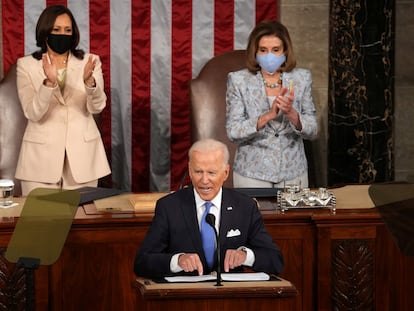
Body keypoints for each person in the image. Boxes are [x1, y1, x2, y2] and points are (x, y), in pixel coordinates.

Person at [134, 138, 283, 278]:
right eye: (198, 172)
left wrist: (246, 256)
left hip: (229, 299)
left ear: (225, 173)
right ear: (189, 170)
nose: (204, 180)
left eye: (211, 173)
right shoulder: (169, 207)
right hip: (185, 298)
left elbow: (275, 261)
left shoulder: (245, 207)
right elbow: (142, 263)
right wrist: (177, 260)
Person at [15, 5, 111, 196]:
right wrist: (49, 84)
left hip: (83, 160)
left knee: (81, 223)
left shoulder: (90, 61)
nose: (63, 35)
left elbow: (97, 106)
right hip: (39, 163)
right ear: (44, 32)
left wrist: (89, 82)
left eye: (68, 30)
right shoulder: (25, 65)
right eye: (56, 30)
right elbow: (33, 113)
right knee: (41, 223)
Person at [226, 20, 318, 189]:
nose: (270, 55)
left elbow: (312, 130)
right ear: (255, 52)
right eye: (263, 50)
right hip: (252, 172)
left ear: (285, 51)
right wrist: (267, 116)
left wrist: (292, 114)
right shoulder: (238, 80)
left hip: (293, 172)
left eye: (276, 50)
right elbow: (233, 132)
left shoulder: (302, 78)